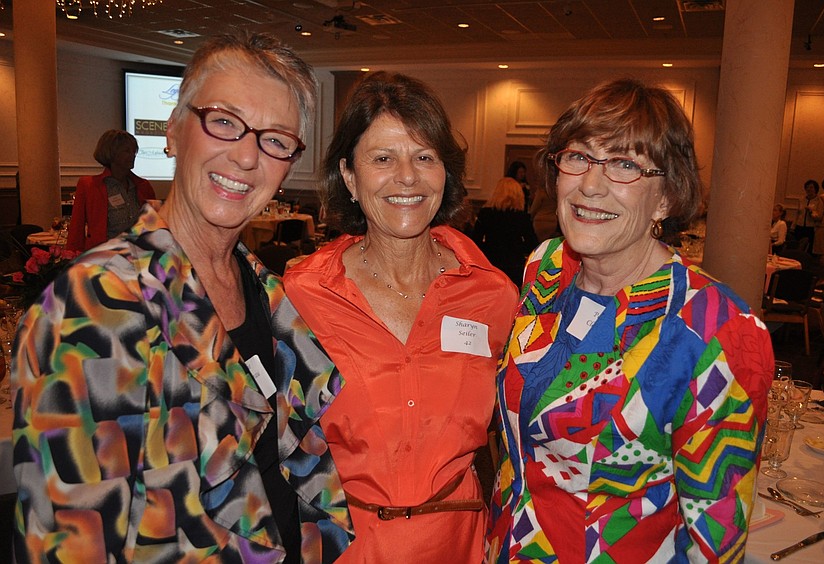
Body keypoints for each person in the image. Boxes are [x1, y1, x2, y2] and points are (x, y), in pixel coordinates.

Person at [12, 32, 353, 563]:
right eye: (223, 122)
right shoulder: (97, 304)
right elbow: (66, 542)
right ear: (172, 132)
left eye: (276, 139)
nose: (245, 156)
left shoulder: (264, 288)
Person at [485, 78, 773, 562]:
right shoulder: (547, 269)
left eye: (624, 164)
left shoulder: (716, 330)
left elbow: (714, 541)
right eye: (577, 156)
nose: (590, 185)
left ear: (666, 198)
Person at [284, 71, 518, 563]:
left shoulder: (493, 295)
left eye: (424, 157)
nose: (407, 177)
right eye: (383, 158)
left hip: (461, 546)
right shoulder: (301, 295)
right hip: (342, 547)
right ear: (349, 176)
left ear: (445, 174)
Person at [66, 129, 156, 252]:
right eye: (126, 151)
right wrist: (71, 258)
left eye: (133, 151)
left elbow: (154, 227)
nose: (132, 155)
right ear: (112, 153)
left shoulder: (143, 186)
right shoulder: (89, 186)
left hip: (138, 257)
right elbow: (76, 228)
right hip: (103, 257)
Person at [472, 176, 538, 287]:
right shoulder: (521, 217)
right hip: (514, 265)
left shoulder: (486, 214)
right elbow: (532, 244)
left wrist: (488, 247)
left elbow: (475, 240)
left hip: (491, 263)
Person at [793, 178, 821, 253]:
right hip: (800, 226)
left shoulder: (819, 201)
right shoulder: (801, 200)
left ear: (815, 189)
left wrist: (811, 211)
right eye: (807, 187)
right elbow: (797, 213)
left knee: (809, 247)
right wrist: (793, 225)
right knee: (798, 245)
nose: (809, 189)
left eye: (811, 187)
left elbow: (818, 214)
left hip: (811, 227)